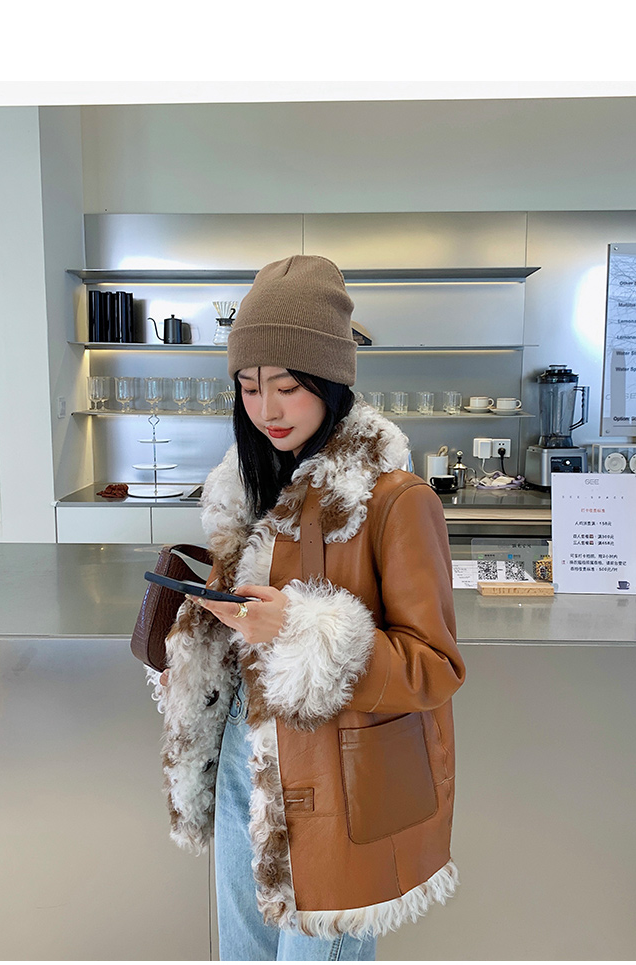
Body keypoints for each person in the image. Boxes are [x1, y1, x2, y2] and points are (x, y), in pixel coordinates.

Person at [148, 255, 466, 961]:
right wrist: (199, 653)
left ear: (330, 380)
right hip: (244, 758)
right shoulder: (249, 492)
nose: (266, 409)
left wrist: (299, 629)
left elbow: (434, 666)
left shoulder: (394, 500)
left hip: (338, 785)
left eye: (288, 387)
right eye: (249, 386)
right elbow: (242, 631)